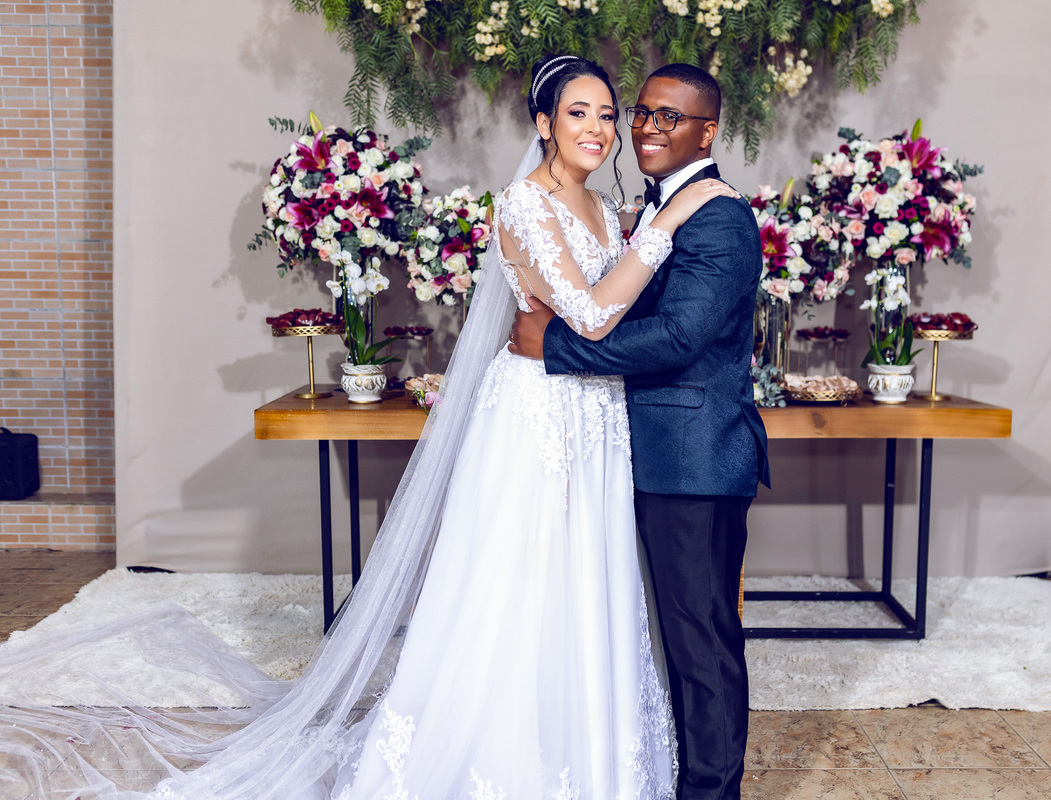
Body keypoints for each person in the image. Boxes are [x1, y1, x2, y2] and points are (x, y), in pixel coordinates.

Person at [0, 56, 737, 800]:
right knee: (522, 579)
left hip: (599, 413)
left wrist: (652, 228)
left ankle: (591, 752)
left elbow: (625, 311)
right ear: (543, 123)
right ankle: (509, 760)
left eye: (608, 114)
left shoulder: (609, 209)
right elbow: (595, 316)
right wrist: (669, 221)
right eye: (579, 112)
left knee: (588, 580)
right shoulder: (524, 204)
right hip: (539, 411)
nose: (600, 128)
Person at [509, 63, 771, 800]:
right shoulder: (649, 206)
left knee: (701, 641)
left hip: (694, 458)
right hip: (641, 449)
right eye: (645, 113)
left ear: (707, 133)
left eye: (671, 117)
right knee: (666, 636)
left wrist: (555, 348)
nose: (650, 128)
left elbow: (681, 336)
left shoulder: (717, 215)